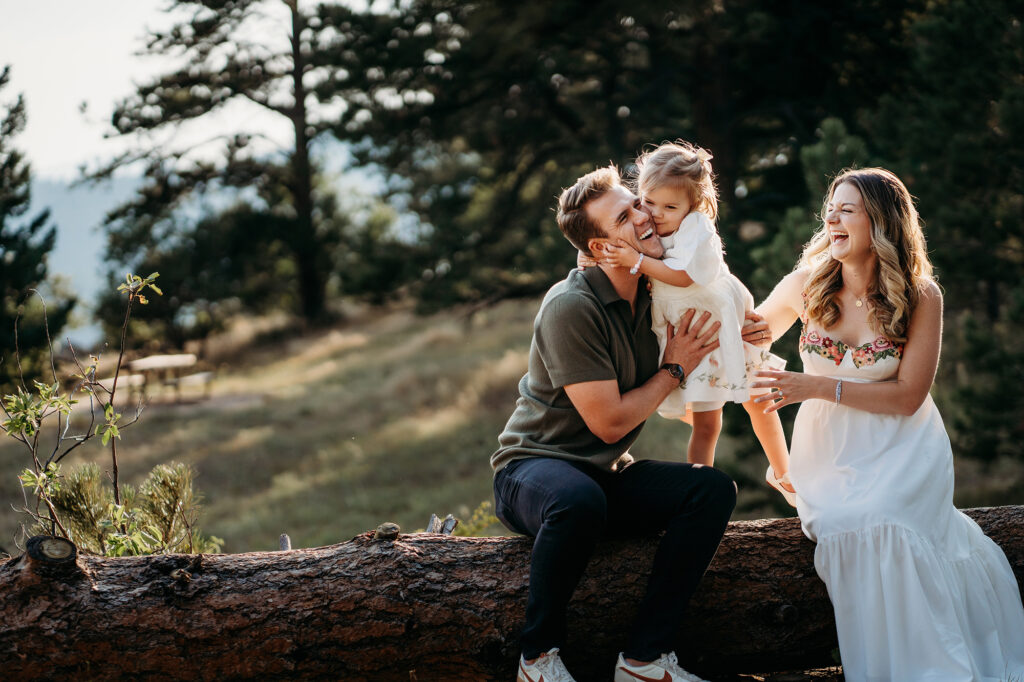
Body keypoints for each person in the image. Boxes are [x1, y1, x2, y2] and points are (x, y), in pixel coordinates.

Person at [750, 167, 1024, 680]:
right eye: (830, 209)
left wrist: (814, 387)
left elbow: (907, 397)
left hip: (904, 447)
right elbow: (746, 335)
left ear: (881, 223)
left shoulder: (921, 295)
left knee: (887, 521)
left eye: (846, 209)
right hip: (829, 453)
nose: (832, 218)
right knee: (843, 526)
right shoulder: (804, 285)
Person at [492, 166, 754, 682]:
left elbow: (714, 286)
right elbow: (609, 423)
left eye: (638, 203)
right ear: (598, 248)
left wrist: (749, 320)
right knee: (576, 501)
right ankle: (536, 659)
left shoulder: (654, 291)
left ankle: (644, 660)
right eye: (626, 215)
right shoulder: (571, 307)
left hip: (606, 475)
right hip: (534, 471)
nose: (646, 216)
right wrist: (673, 367)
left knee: (711, 491)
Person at [595, 141, 794, 504]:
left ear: (693, 205)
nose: (656, 213)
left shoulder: (697, 228)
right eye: (649, 202)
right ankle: (697, 494)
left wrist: (636, 262)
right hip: (687, 331)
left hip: (716, 324)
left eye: (670, 207)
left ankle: (784, 473)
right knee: (707, 423)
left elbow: (686, 276)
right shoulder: (644, 224)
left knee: (758, 400)